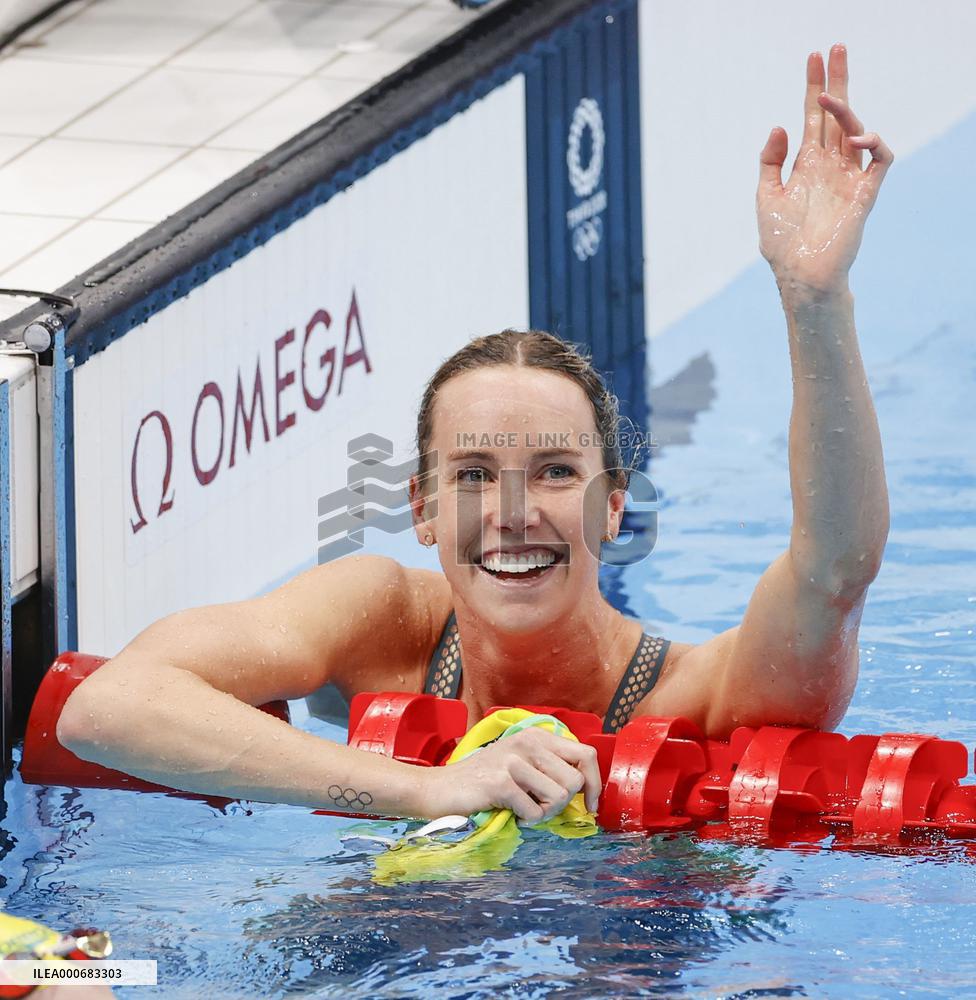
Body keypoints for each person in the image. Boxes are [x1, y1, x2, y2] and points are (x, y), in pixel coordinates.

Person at [56, 44, 892, 827]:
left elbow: (834, 570)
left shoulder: (697, 703)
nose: (513, 512)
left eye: (556, 471)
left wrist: (814, 301)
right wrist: (428, 788)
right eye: (473, 475)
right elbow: (108, 707)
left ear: (613, 507)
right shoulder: (380, 629)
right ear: (421, 508)